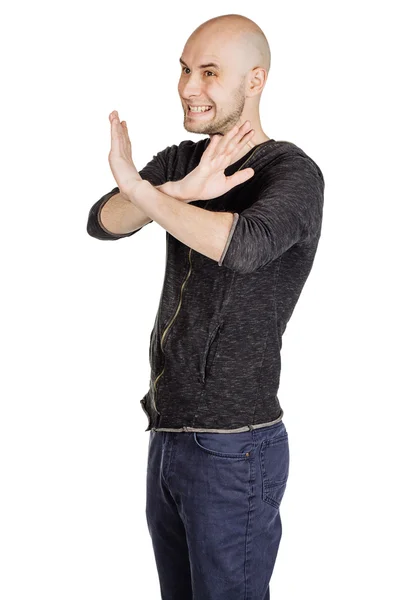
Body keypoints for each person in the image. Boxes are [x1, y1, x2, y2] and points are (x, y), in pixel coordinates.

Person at [87, 13, 325, 600]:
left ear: (254, 81)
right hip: (167, 432)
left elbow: (241, 246)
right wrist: (177, 190)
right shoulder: (183, 162)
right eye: (186, 71)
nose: (190, 88)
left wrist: (147, 194)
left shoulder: (293, 173)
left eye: (210, 73)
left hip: (235, 445)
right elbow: (103, 221)